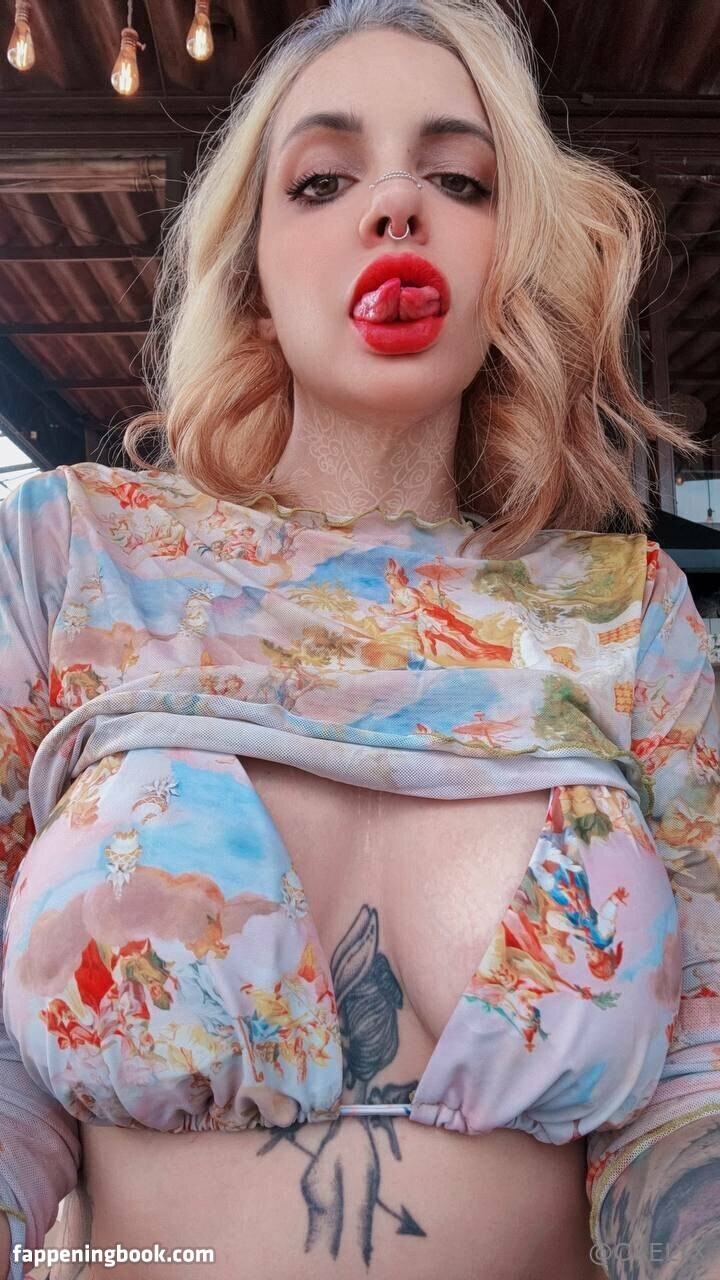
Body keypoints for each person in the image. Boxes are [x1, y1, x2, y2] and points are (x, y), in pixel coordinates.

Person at [0, 2, 718, 1278]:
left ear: (510, 265)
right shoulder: (72, 555)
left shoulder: (628, 610)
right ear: (252, 277)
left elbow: (695, 1091)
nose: (397, 207)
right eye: (325, 179)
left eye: (460, 181)